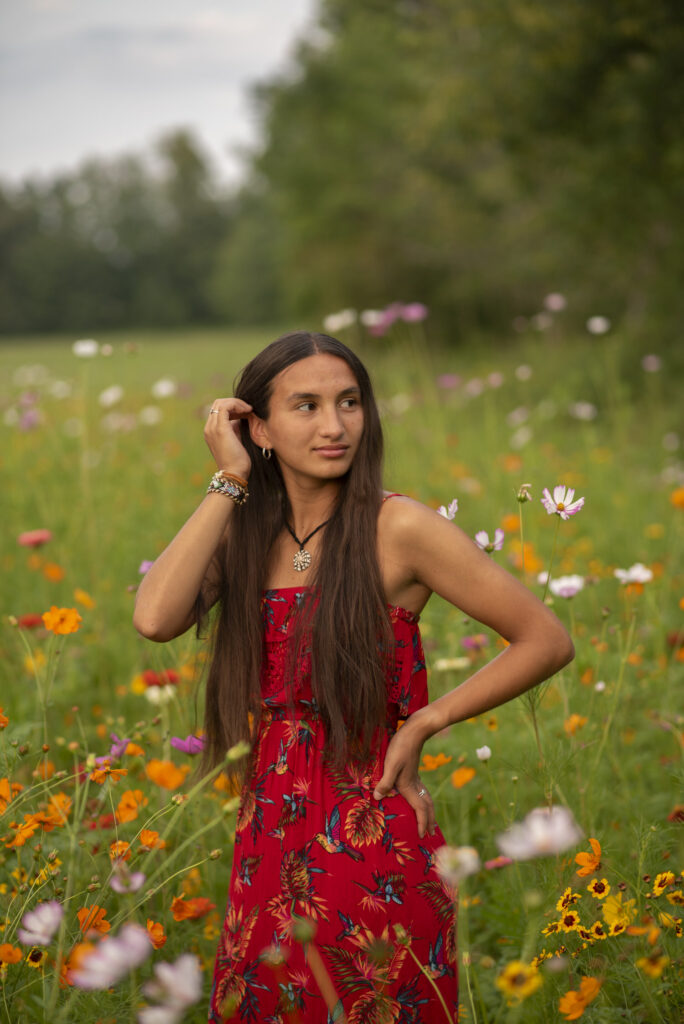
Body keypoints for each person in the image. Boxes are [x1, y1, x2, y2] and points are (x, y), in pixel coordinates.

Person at [133, 330, 574, 1023]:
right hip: (268, 831)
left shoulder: (399, 528)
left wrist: (428, 720)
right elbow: (155, 618)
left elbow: (545, 638)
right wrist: (231, 479)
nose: (335, 425)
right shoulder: (247, 532)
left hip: (370, 823)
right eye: (305, 406)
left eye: (349, 402)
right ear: (260, 428)